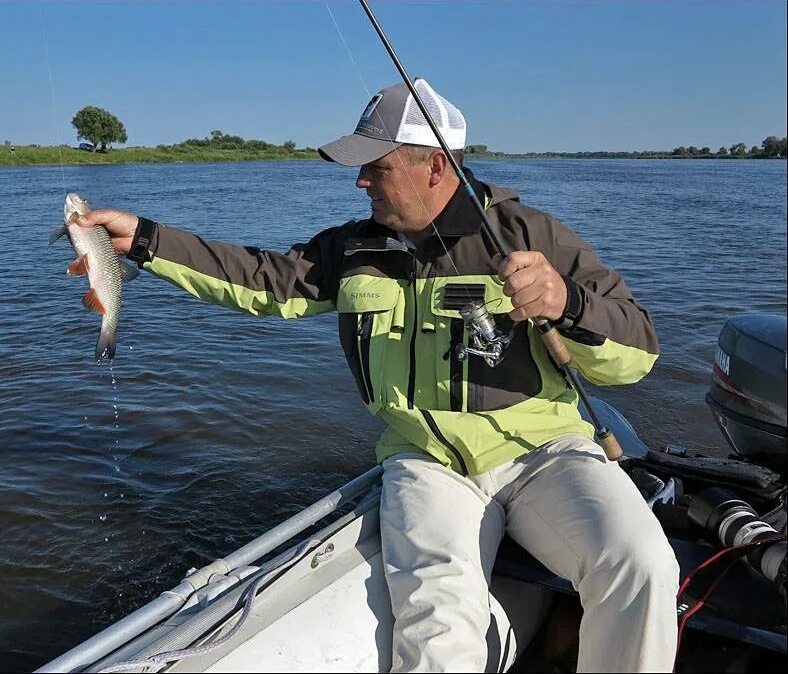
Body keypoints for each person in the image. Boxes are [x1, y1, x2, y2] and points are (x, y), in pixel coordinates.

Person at [75, 78, 680, 673]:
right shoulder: (352, 248)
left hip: (546, 450)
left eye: (377, 167)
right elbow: (261, 280)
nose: (360, 180)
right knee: (439, 629)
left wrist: (567, 302)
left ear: (436, 167)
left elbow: (638, 353)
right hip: (425, 463)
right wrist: (147, 241)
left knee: (643, 564)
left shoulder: (534, 236)